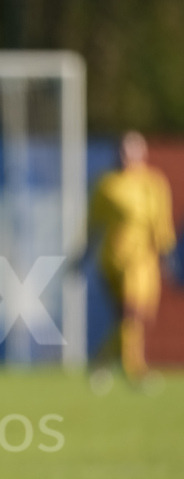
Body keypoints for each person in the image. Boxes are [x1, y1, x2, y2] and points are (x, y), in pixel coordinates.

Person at [86, 130, 177, 389]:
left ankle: (101, 363)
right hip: (116, 259)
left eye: (133, 150)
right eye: (123, 150)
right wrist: (83, 254)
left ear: (143, 153)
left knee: (135, 319)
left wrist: (165, 255)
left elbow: (161, 223)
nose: (127, 156)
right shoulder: (108, 184)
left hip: (144, 260)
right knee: (131, 313)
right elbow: (93, 224)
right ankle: (134, 370)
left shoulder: (154, 183)